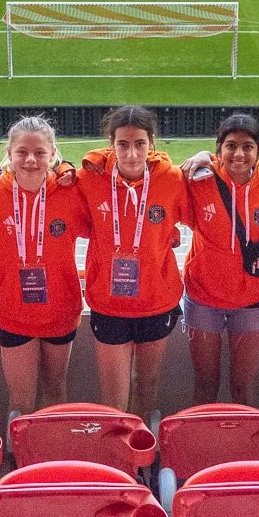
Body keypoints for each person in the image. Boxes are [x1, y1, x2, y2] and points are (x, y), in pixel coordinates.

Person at [76, 105, 189, 419]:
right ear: (110, 145)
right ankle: (119, 460)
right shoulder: (89, 176)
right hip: (109, 303)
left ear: (152, 143)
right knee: (114, 396)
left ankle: (141, 460)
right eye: (122, 145)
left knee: (147, 386)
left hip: (157, 301)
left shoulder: (172, 178)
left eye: (140, 144)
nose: (131, 154)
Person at [0, 116, 89, 416]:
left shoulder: (71, 192)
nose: (30, 160)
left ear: (53, 153)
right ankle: (21, 462)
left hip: (60, 310)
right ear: (10, 152)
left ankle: (52, 461)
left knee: (56, 392)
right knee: (21, 402)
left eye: (40, 153)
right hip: (15, 313)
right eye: (22, 152)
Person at [179, 113, 259, 407]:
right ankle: (205, 449)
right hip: (203, 299)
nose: (238, 154)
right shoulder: (199, 179)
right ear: (218, 149)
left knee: (243, 387)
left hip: (250, 301)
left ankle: (243, 450)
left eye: (247, 146)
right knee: (205, 384)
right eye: (230, 145)